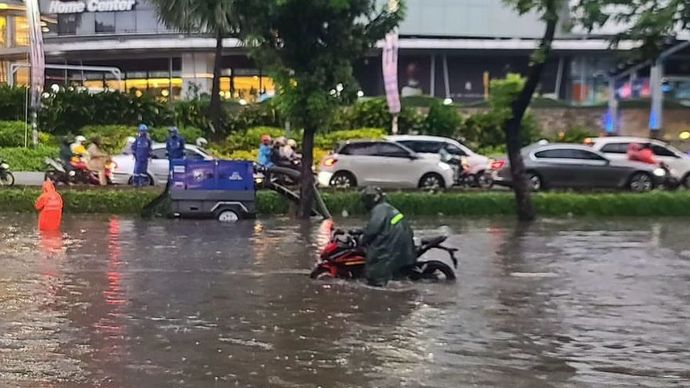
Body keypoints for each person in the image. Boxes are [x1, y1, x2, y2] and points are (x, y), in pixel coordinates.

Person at [359, 187, 417, 287]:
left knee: (376, 267)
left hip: (393, 242)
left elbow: (373, 229)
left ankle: (378, 284)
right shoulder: (387, 207)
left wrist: (362, 239)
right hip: (404, 239)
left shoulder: (379, 209)